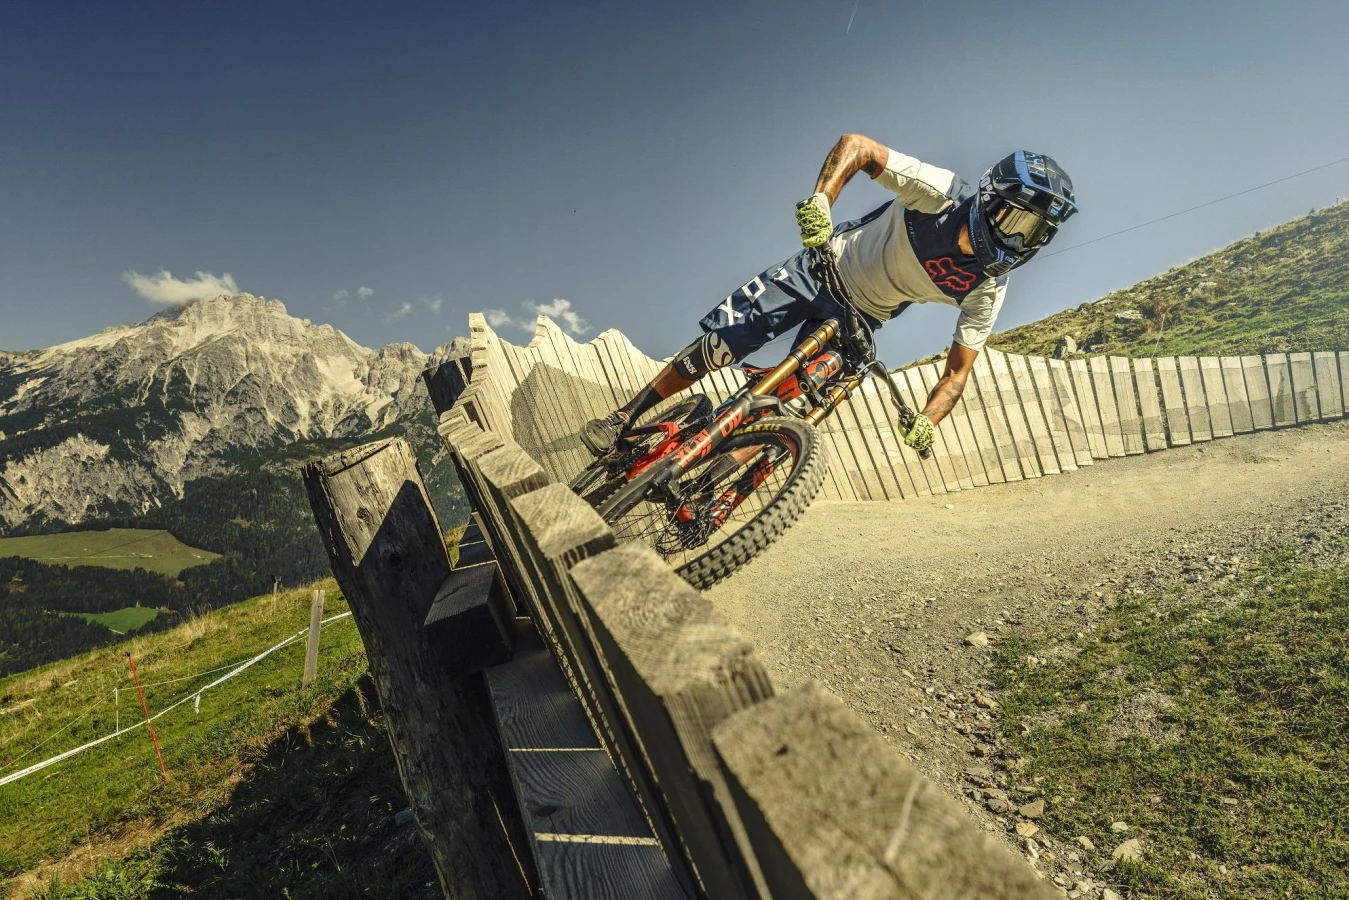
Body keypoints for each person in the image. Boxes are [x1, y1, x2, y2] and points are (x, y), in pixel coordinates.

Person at [579, 134, 1077, 456]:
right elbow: (858, 147)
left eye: (1036, 234)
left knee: (782, 407)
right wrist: (821, 200)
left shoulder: (988, 286)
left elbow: (956, 374)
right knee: (722, 344)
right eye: (1018, 220)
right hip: (821, 268)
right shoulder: (944, 193)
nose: (1021, 241)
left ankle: (712, 473)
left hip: (862, 319)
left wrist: (929, 420)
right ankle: (626, 416)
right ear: (989, 199)